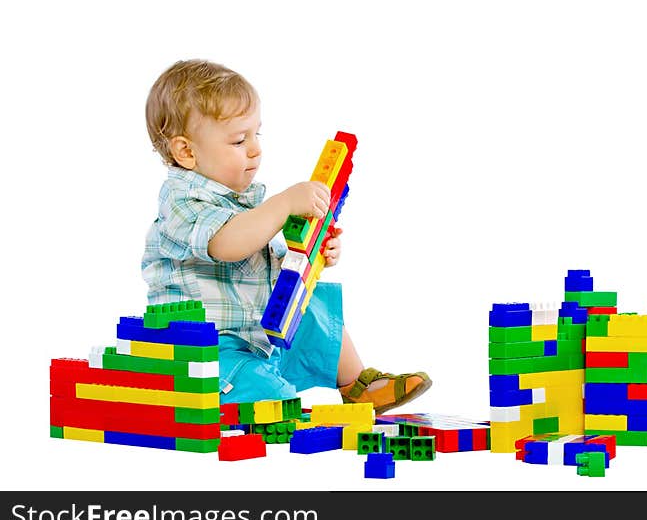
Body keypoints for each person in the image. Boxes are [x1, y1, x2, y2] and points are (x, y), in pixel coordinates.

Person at [141, 59, 431, 414]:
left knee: (305, 298)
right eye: (238, 140)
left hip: (257, 340)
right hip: (204, 352)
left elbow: (263, 263)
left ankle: (356, 383)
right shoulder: (181, 201)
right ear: (186, 151)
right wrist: (282, 206)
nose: (255, 149)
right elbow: (227, 244)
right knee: (271, 400)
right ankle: (265, 392)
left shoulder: (242, 206)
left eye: (256, 134)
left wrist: (314, 252)